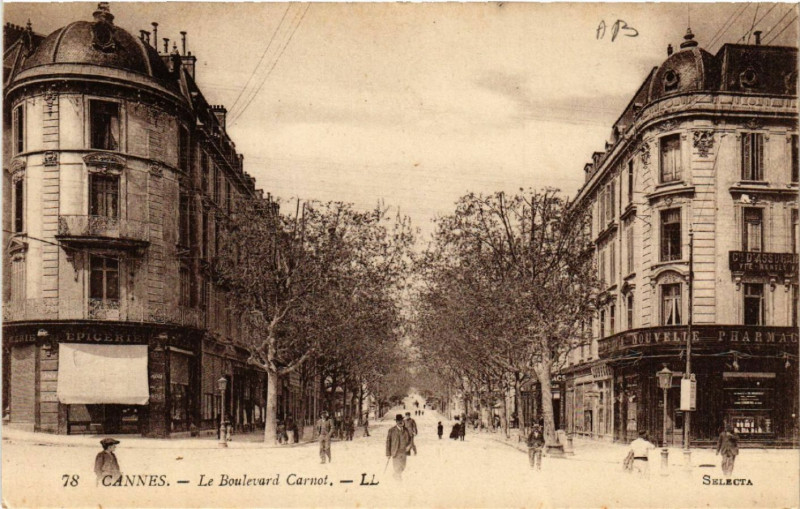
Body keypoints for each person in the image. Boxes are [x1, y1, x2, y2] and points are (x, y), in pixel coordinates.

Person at [386, 414, 412, 480]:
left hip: (404, 452)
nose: (400, 422)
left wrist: (409, 446)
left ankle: (396, 475)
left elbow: (410, 440)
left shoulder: (406, 430)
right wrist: (388, 453)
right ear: (396, 422)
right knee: (396, 467)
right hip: (395, 452)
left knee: (403, 466)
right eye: (398, 421)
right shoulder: (391, 430)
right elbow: (388, 442)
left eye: (401, 420)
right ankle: (398, 479)